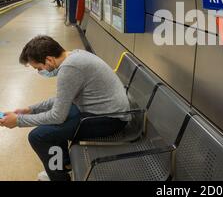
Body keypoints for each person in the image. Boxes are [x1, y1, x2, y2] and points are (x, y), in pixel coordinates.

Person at [0, 36, 130, 181]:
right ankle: (64, 164)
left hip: (110, 119)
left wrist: (18, 121)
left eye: (38, 68)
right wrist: (29, 110)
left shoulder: (70, 68)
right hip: (99, 109)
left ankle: (59, 177)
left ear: (49, 60)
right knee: (53, 126)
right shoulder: (75, 55)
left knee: (38, 136)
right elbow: (62, 99)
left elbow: (57, 116)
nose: (40, 71)